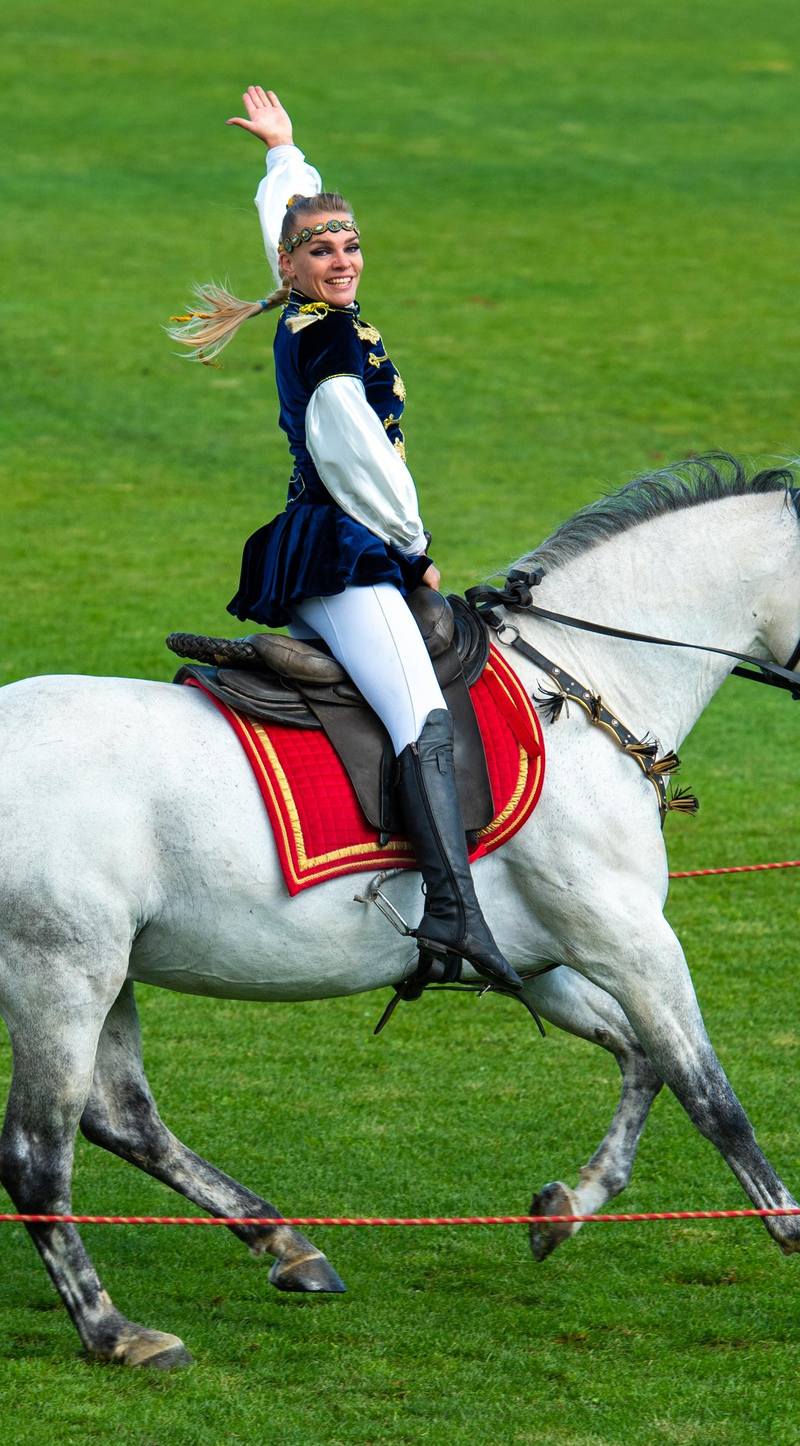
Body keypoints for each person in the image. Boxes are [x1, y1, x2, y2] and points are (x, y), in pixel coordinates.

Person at [168, 86, 518, 993]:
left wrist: (284, 157)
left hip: (331, 538)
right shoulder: (324, 348)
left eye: (351, 244)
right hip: (346, 549)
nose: (342, 259)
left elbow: (287, 219)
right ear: (289, 269)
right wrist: (414, 546)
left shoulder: (320, 311)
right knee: (422, 716)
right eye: (321, 250)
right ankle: (454, 915)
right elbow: (360, 459)